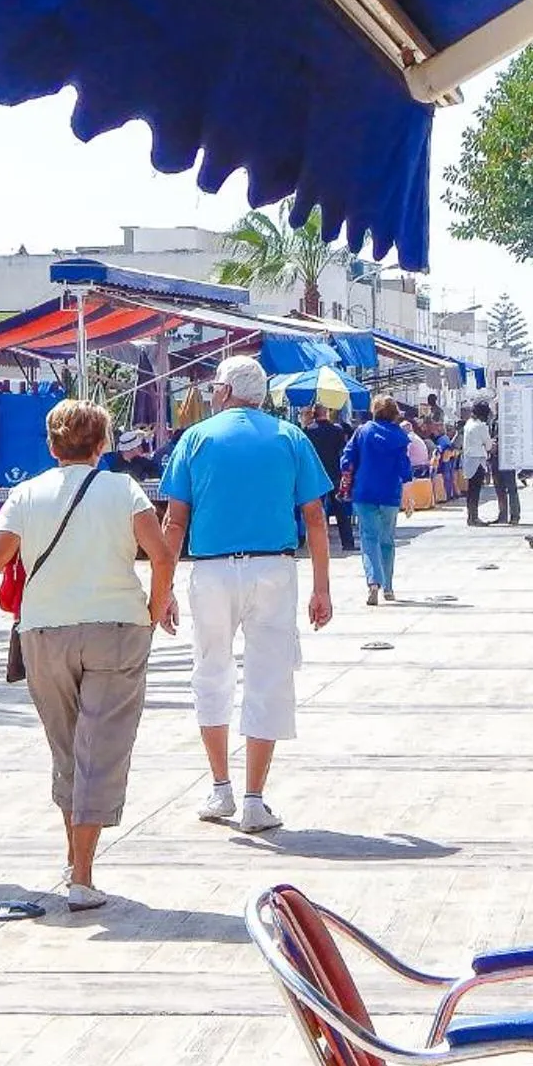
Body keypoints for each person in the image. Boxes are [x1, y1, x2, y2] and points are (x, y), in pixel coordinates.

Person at [0, 399, 175, 910]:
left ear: (51, 445)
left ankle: (74, 857)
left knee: (67, 749)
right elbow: (160, 553)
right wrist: (154, 609)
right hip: (116, 626)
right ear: (102, 445)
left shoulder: (26, 493)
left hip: (45, 631)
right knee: (101, 750)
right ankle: (83, 876)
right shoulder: (124, 489)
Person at [157, 354, 333, 834]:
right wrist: (322, 587)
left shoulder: (196, 438)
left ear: (226, 391)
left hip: (212, 570)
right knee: (269, 677)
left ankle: (221, 788)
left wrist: (163, 587)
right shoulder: (289, 437)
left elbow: (175, 521)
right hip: (274, 567)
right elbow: (315, 517)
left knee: (210, 672)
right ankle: (256, 798)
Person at [339, 395, 411, 606]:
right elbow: (404, 468)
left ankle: (373, 581)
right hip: (390, 493)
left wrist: (347, 473)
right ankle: (388, 587)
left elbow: (347, 457)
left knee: (369, 538)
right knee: (387, 540)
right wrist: (408, 496)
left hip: (364, 492)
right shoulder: (399, 436)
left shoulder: (363, 431)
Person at [301, 406, 356, 553]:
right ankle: (348, 543)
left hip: (315, 474)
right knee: (341, 511)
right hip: (334, 473)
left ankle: (315, 543)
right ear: (326, 413)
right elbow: (342, 450)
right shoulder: (337, 430)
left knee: (314, 511)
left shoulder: (308, 431)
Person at [459, 403, 493, 525]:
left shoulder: (468, 424)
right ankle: (475, 517)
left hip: (468, 460)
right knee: (476, 491)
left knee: (471, 490)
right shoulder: (481, 426)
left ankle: (470, 516)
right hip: (478, 460)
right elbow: (488, 445)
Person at [491, 409, 522, 526]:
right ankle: (502, 515)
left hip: (507, 457)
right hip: (495, 457)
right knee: (499, 488)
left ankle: (515, 515)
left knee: (511, 488)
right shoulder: (494, 420)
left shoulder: (510, 420)